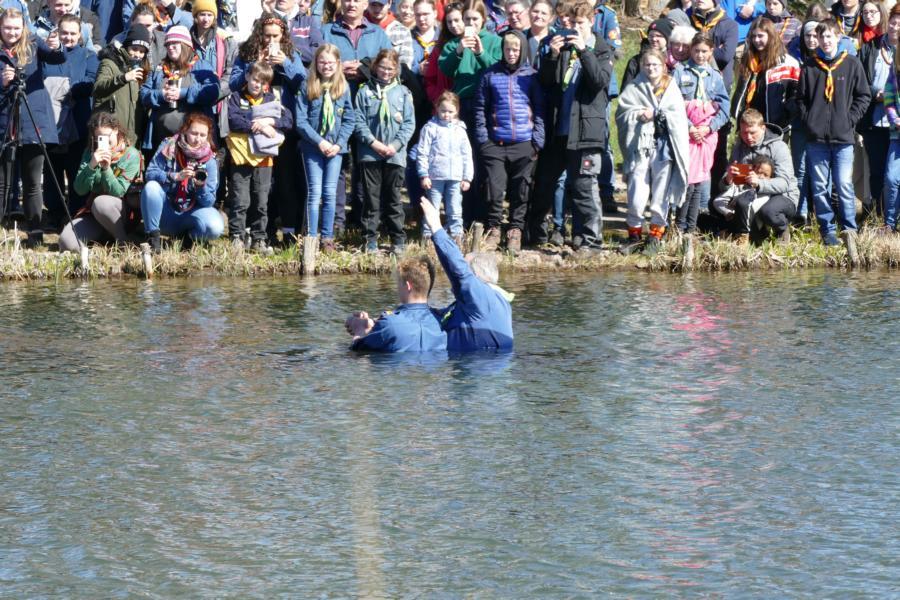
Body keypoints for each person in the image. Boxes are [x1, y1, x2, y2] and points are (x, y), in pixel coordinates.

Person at [527, 0, 612, 250]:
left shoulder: (602, 50)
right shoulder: (564, 48)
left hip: (585, 132)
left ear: (591, 23)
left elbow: (598, 82)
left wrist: (585, 51)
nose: (575, 27)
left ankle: (591, 242)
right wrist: (552, 57)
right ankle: (537, 236)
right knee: (543, 183)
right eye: (573, 23)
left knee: (584, 187)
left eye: (581, 23)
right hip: (559, 130)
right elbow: (547, 83)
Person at [230, 13, 308, 245]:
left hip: (280, 125)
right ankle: (256, 234)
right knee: (255, 187)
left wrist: (285, 63)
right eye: (266, 36)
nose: (270, 41)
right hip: (251, 126)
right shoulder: (247, 52)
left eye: (275, 36)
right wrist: (254, 66)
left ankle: (288, 232)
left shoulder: (290, 54)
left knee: (284, 182)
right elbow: (233, 84)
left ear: (283, 35)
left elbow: (303, 84)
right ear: (259, 34)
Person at [794, 18, 871, 246]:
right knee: (819, 187)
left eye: (829, 36)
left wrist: (850, 118)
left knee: (843, 184)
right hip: (816, 138)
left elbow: (863, 96)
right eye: (821, 37)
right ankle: (827, 230)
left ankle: (849, 228)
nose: (825, 41)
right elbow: (800, 99)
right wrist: (810, 120)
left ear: (838, 37)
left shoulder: (851, 64)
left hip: (843, 137)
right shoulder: (810, 66)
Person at [473, 28, 544, 252]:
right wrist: (484, 140)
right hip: (495, 143)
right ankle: (494, 229)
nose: (511, 53)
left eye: (515, 49)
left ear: (522, 50)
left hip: (524, 143)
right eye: (507, 49)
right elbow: (479, 109)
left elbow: (540, 109)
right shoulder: (490, 75)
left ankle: (515, 230)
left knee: (521, 191)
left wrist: (537, 142)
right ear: (502, 50)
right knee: (494, 190)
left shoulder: (531, 76)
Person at [0, 7, 65, 248]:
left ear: (24, 28)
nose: (12, 32)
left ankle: (35, 233)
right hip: (5, 122)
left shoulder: (35, 43)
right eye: (7, 27)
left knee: (32, 182)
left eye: (16, 28)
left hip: (33, 119)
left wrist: (56, 44)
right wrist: (3, 81)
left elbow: (59, 58)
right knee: (2, 183)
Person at [616, 48, 690, 251]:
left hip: (664, 147)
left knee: (661, 193)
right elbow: (622, 114)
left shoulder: (671, 87)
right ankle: (634, 235)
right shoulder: (634, 87)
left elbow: (678, 116)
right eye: (647, 65)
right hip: (640, 147)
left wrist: (657, 112)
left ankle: (656, 235)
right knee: (636, 192)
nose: (651, 68)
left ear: (663, 65)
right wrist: (639, 114)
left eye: (655, 65)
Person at [420, 195, 513, 352]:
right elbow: (443, 317)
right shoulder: (490, 302)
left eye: (465, 265)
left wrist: (436, 227)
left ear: (476, 277)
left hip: (477, 369)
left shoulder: (482, 297)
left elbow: (459, 271)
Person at [225, 61, 293, 253]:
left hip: (264, 160)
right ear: (247, 77)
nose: (258, 85)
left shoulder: (271, 99)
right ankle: (237, 237)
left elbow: (288, 121)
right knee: (240, 200)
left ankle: (259, 239)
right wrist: (259, 126)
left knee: (261, 201)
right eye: (255, 79)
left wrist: (271, 121)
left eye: (262, 82)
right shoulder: (236, 97)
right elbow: (233, 120)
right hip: (240, 157)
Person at [354, 49, 415, 254]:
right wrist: (374, 143)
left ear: (396, 69)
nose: (386, 72)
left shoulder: (404, 93)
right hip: (370, 153)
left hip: (395, 155)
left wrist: (395, 146)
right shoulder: (364, 92)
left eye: (390, 68)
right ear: (375, 67)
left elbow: (409, 124)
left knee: (393, 199)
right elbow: (359, 121)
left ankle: (398, 239)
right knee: (371, 199)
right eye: (382, 67)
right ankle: (369, 240)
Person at [296, 44, 354, 252]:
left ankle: (327, 238)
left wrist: (338, 144)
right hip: (313, 147)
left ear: (337, 64)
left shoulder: (343, 88)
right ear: (316, 63)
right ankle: (311, 237)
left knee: (330, 193)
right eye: (322, 62)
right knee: (314, 193)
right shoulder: (307, 86)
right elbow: (301, 121)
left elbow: (349, 119)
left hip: (336, 150)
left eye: (330, 62)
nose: (326, 66)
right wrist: (320, 141)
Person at [41, 13, 99, 226]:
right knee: (52, 169)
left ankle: (76, 212)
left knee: (75, 168)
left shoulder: (88, 56)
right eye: (64, 33)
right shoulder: (48, 54)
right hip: (52, 121)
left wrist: (65, 87)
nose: (68, 37)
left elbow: (90, 83)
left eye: (73, 33)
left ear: (80, 34)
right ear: (58, 32)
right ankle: (54, 212)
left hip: (78, 119)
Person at [58, 112, 143, 251]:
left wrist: (106, 168)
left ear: (115, 130)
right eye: (98, 137)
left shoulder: (131, 155)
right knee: (65, 242)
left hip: (122, 214)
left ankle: (123, 243)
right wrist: (91, 166)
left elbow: (118, 191)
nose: (103, 141)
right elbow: (79, 189)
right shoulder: (90, 153)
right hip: (94, 214)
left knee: (101, 202)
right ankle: (100, 243)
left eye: (106, 136)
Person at [141, 112, 224, 251]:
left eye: (203, 135)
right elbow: (150, 174)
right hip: (166, 211)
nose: (198, 139)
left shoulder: (210, 160)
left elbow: (209, 202)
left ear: (208, 136)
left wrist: (199, 186)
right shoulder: (169, 145)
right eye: (194, 133)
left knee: (215, 227)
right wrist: (175, 176)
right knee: (151, 188)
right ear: (185, 130)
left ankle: (188, 238)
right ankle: (153, 238)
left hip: (190, 213)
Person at [673, 32, 729, 236]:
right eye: (696, 51)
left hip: (706, 135)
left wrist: (710, 127)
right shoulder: (680, 72)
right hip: (687, 132)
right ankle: (679, 225)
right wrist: (689, 126)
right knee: (688, 179)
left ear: (711, 51)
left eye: (704, 51)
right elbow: (673, 104)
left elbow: (724, 107)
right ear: (690, 50)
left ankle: (692, 225)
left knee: (700, 180)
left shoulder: (715, 76)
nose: (700, 55)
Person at [719, 109, 799, 242]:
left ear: (763, 128)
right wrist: (728, 179)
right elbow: (727, 185)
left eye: (752, 133)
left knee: (768, 212)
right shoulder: (739, 147)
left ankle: (782, 229)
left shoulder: (779, 147)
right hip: (749, 195)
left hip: (784, 197)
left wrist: (760, 183)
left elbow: (784, 183)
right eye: (744, 133)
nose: (748, 137)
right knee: (716, 205)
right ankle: (757, 236)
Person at [346, 254, 447, 352]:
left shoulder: (389, 324)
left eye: (398, 283)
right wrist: (374, 323)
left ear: (408, 286)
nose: (397, 289)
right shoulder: (443, 322)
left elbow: (357, 350)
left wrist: (359, 331)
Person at [140, 24, 219, 149]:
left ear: (185, 45)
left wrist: (183, 93)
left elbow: (213, 91)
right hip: (161, 141)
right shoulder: (160, 68)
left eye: (174, 44)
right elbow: (144, 93)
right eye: (167, 45)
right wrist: (161, 95)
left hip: (193, 143)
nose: (170, 48)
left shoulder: (201, 66)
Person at [856, 2, 896, 218]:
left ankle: (894, 217)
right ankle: (878, 218)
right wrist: (875, 94)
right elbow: (859, 82)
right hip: (875, 120)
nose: (895, 27)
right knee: (877, 172)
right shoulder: (869, 49)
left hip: (897, 121)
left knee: (895, 175)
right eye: (893, 23)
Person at [417, 90, 472, 244]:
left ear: (456, 111)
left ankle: (456, 235)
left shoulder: (460, 130)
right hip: (434, 176)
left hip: (455, 177)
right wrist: (424, 174)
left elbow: (467, 154)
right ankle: (428, 235)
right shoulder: (430, 128)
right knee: (432, 207)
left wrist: (467, 177)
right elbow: (422, 152)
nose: (446, 115)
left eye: (450, 112)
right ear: (437, 108)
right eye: (443, 111)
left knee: (455, 208)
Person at [731, 17, 800, 131]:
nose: (756, 40)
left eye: (760, 36)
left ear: (771, 36)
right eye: (753, 36)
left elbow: (795, 95)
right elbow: (741, 91)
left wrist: (785, 118)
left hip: (775, 126)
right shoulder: (749, 60)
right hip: (748, 123)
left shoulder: (788, 63)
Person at [93, 23, 152, 146]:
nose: (138, 54)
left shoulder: (140, 68)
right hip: (109, 133)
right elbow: (98, 89)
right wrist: (123, 78)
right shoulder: (109, 63)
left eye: (142, 51)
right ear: (125, 46)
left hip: (131, 137)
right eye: (134, 49)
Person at [712, 154, 775, 243]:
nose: (761, 176)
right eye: (758, 172)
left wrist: (738, 203)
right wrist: (729, 212)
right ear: (751, 171)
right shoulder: (740, 185)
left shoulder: (766, 193)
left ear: (771, 178)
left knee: (743, 206)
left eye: (765, 175)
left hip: (752, 226)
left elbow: (751, 207)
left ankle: (741, 238)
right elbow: (718, 201)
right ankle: (728, 234)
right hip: (733, 217)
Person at [424, 1, 463, 103]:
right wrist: (439, 99)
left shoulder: (475, 44)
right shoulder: (439, 48)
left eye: (457, 20)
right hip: (445, 108)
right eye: (449, 22)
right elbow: (430, 80)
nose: (453, 25)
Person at [621, 18, 672, 91]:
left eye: (658, 36)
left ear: (667, 38)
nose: (654, 39)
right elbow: (626, 91)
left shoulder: (674, 62)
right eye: (651, 36)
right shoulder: (636, 61)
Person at [366, 0, 414, 69]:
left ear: (389, 3)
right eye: (373, 5)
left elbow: (405, 63)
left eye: (381, 5)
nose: (377, 9)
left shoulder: (402, 31)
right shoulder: (359, 27)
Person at [411, 0, 439, 76]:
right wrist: (418, 69)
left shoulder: (443, 38)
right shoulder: (407, 38)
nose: (421, 19)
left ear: (435, 13)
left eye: (425, 14)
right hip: (413, 85)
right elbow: (399, 68)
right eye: (417, 15)